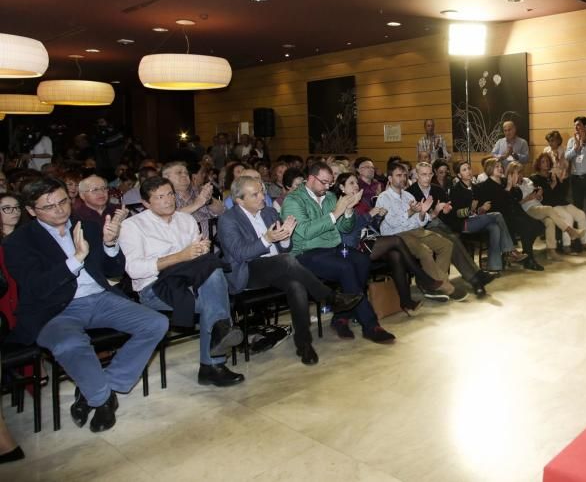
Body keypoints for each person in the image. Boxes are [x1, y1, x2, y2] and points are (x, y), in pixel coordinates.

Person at [4, 178, 168, 433]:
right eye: (49, 206)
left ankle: (102, 385)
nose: (59, 209)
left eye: (62, 201)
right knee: (68, 344)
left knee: (156, 322)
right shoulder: (18, 242)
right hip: (54, 310)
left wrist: (111, 244)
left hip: (100, 298)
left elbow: (114, 271)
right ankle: (102, 400)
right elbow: (36, 288)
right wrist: (75, 260)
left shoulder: (89, 227)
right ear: (31, 210)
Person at [120, 176, 246, 387]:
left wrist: (201, 249)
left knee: (212, 271)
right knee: (213, 299)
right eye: (160, 197)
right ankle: (212, 361)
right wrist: (181, 256)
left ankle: (214, 354)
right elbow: (134, 270)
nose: (168, 200)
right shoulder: (132, 226)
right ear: (146, 204)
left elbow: (196, 258)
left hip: (190, 280)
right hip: (155, 286)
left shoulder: (185, 219)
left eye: (170, 194)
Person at [217, 176, 349, 365]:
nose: (262, 196)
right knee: (287, 261)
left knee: (297, 286)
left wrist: (285, 237)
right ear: (239, 200)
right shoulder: (228, 219)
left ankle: (304, 344)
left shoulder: (269, 212)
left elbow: (285, 248)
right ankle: (328, 297)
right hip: (247, 272)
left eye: (261, 191)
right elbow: (239, 254)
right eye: (255, 194)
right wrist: (267, 240)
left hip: (275, 266)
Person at [280, 163, 395, 342]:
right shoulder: (293, 200)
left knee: (362, 260)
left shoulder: (330, 196)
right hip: (306, 253)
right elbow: (305, 232)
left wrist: (348, 211)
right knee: (345, 267)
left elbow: (345, 228)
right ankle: (371, 325)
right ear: (311, 179)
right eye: (324, 183)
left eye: (330, 183)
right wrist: (335, 213)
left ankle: (341, 316)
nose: (327, 187)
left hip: (333, 248)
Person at [378, 163, 492, 299]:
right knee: (427, 250)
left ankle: (434, 284)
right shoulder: (384, 197)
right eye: (398, 175)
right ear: (390, 178)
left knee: (447, 244)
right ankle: (447, 287)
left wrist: (423, 214)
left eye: (404, 175)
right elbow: (393, 223)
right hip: (397, 236)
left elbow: (420, 220)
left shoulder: (408, 196)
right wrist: (415, 212)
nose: (402, 178)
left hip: (420, 228)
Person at [334, 172, 427, 312]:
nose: (356, 186)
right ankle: (421, 275)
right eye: (351, 183)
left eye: (356, 183)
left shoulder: (360, 201)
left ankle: (406, 301)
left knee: (396, 255)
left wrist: (378, 217)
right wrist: (368, 215)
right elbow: (348, 231)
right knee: (396, 240)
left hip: (369, 239)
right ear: (342, 187)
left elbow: (372, 226)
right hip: (354, 246)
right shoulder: (339, 204)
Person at [448, 161, 523, 271]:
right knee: (497, 215)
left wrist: (482, 209)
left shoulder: (476, 188)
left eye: (469, 168)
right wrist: (470, 210)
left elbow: (479, 212)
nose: (468, 171)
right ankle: (509, 250)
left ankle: (494, 266)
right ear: (459, 175)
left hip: (477, 220)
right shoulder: (456, 190)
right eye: (464, 170)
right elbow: (456, 213)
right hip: (463, 224)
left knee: (495, 228)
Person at [475, 158, 545, 270]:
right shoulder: (484, 186)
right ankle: (528, 260)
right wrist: (508, 188)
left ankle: (521, 254)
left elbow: (516, 198)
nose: (500, 168)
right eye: (496, 166)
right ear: (489, 169)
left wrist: (515, 185)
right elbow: (498, 205)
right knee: (527, 227)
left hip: (515, 213)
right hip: (501, 218)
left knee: (538, 225)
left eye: (501, 166)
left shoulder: (504, 181)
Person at [532, 153, 586, 251]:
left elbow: (562, 193)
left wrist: (562, 182)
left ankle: (584, 242)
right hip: (550, 205)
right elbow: (542, 197)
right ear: (539, 164)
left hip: (561, 202)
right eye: (543, 162)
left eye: (548, 161)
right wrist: (552, 185)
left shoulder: (552, 175)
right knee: (568, 217)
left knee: (581, 214)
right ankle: (567, 245)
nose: (546, 164)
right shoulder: (534, 179)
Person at [565, 116, 586, 237]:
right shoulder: (571, 141)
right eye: (575, 125)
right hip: (575, 177)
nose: (576, 127)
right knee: (577, 205)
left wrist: (584, 143)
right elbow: (567, 156)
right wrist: (576, 148)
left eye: (578, 125)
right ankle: (577, 232)